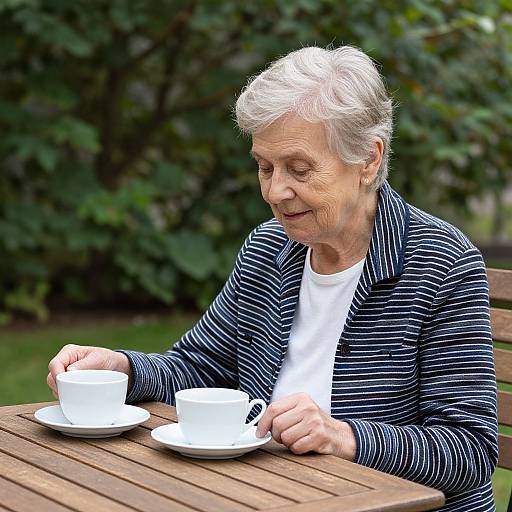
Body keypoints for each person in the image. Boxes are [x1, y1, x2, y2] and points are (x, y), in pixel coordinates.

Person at [47, 46, 498, 511]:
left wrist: (342, 436)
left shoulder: (439, 263)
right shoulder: (269, 249)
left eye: (299, 169)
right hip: (272, 495)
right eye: (265, 167)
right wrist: (122, 367)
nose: (276, 191)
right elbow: (200, 368)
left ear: (367, 159)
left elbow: (469, 449)